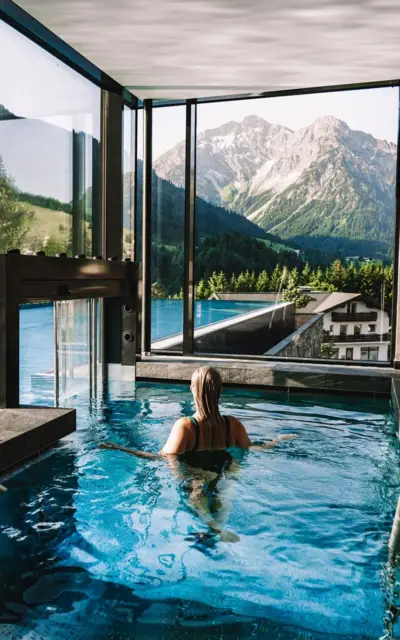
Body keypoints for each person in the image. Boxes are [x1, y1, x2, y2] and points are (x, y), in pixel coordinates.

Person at [100, 366, 297, 542]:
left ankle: (213, 529)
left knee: (197, 491)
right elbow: (253, 447)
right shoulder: (232, 424)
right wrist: (278, 440)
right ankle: (218, 528)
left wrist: (119, 448)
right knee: (222, 494)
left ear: (193, 390)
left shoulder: (186, 426)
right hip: (225, 468)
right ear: (220, 391)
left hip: (194, 471)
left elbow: (160, 457)